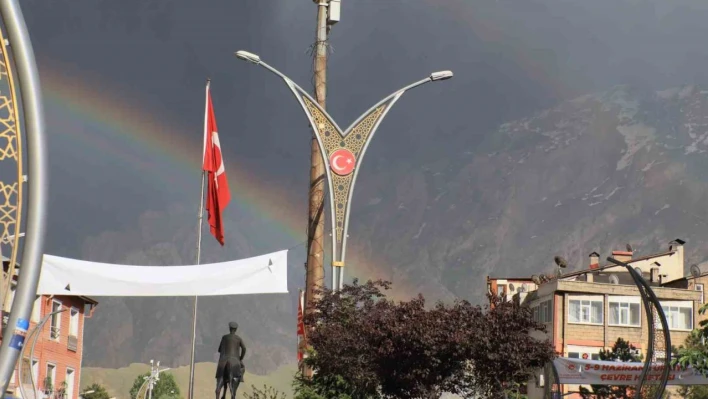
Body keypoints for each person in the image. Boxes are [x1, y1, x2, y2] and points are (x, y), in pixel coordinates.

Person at [215, 322, 246, 399]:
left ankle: (218, 391)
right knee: (242, 367)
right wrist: (240, 358)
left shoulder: (224, 337)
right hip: (235, 361)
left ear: (229, 328)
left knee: (219, 379)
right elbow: (244, 348)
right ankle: (239, 379)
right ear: (236, 329)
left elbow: (219, 350)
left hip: (223, 360)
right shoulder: (238, 338)